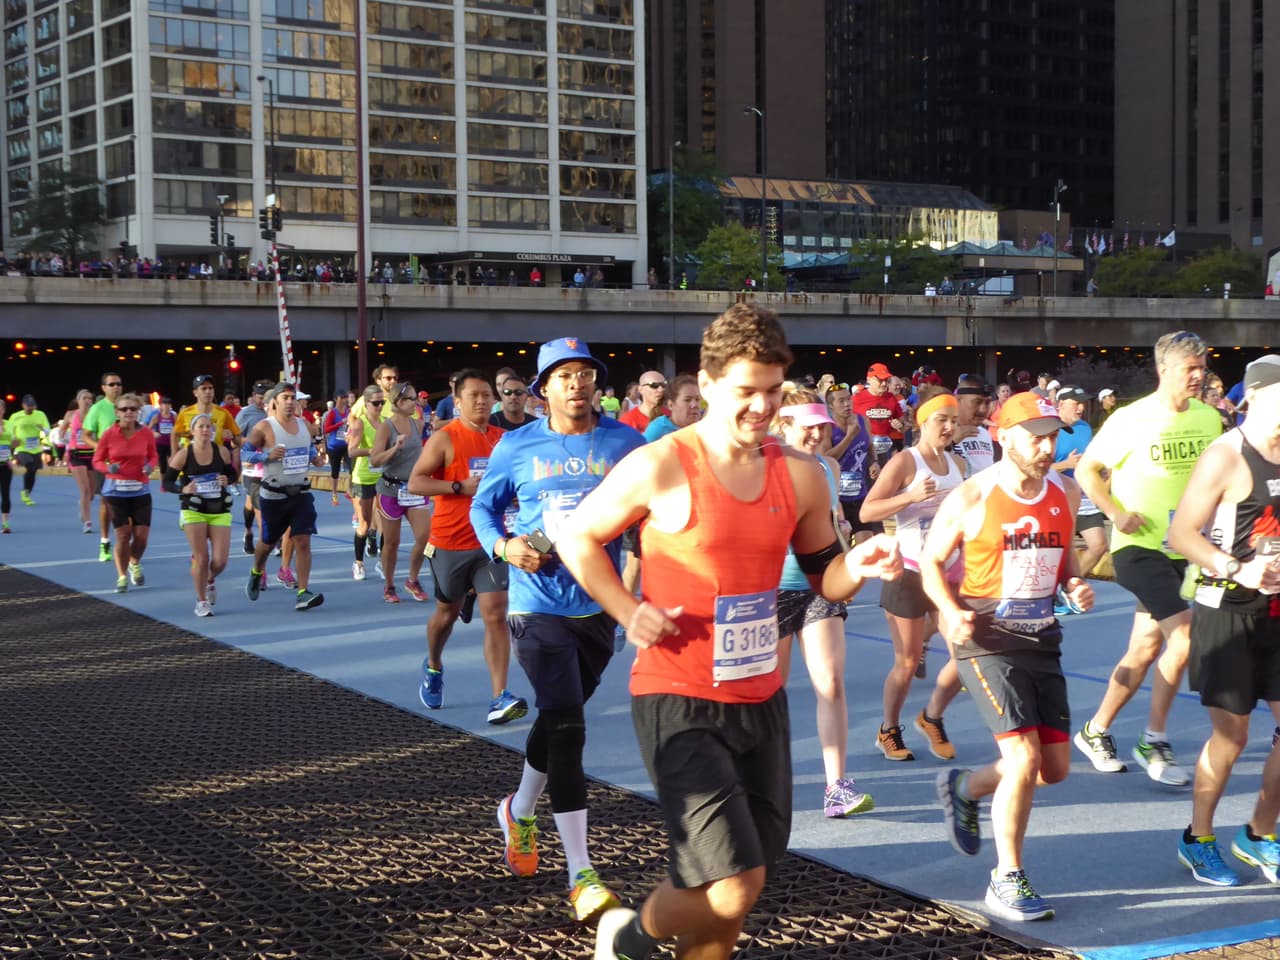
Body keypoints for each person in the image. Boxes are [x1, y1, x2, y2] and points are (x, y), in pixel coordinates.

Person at [555, 303, 901, 960]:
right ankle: (623, 937)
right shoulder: (661, 464)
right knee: (734, 883)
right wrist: (628, 611)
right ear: (709, 384)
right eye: (746, 392)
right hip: (677, 696)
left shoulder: (796, 473)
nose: (761, 408)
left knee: (737, 884)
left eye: (773, 392)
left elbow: (825, 573)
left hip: (759, 695)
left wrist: (860, 563)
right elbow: (578, 538)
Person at [470, 336, 646, 923]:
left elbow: (649, 511)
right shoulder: (518, 445)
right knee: (569, 728)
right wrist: (504, 544)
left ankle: (518, 812)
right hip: (535, 602)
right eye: (563, 376)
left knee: (556, 717)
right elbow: (483, 508)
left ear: (597, 383)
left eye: (585, 374)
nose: (576, 384)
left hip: (595, 605)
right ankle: (581, 872)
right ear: (543, 389)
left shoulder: (625, 442)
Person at [923, 391, 1094, 922]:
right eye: (1034, 435)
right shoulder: (974, 496)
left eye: (1051, 436)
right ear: (1002, 435)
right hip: (985, 638)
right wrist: (949, 611)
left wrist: (1074, 584)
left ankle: (966, 787)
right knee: (1022, 760)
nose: (1046, 446)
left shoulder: (1062, 492)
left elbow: (1063, 557)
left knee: (1053, 770)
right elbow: (931, 561)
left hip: (1041, 637)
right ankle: (1007, 879)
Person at [1072, 331, 1222, 785]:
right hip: (1139, 547)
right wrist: (1117, 514)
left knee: (1143, 649)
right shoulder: (1130, 419)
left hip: (1187, 548)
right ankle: (1153, 739)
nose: (1198, 376)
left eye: (1202, 367)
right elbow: (1086, 470)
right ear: (1164, 371)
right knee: (1185, 639)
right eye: (1189, 369)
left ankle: (1094, 730)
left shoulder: (1208, 418)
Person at [1167, 354, 1280, 887]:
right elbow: (1181, 535)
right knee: (1231, 738)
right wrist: (1240, 567)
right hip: (1226, 606)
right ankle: (1200, 838)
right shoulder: (1226, 456)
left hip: (1278, 609)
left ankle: (1258, 835)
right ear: (1256, 396)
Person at [773, 389, 873, 817]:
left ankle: (836, 786)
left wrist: (851, 545)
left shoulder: (828, 467)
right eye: (808, 427)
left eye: (822, 427)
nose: (817, 434)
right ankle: (765, 780)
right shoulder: (763, 468)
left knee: (831, 682)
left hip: (819, 587)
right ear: (785, 426)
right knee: (768, 693)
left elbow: (836, 523)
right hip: (770, 589)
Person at [408, 369, 526, 724]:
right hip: (450, 542)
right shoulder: (445, 438)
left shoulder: (503, 439)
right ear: (456, 402)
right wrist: (458, 487)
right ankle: (433, 664)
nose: (481, 401)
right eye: (473, 395)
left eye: (486, 395)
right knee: (446, 614)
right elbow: (416, 482)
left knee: (496, 613)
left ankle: (499, 696)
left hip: (491, 542)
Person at [860, 386, 967, 762]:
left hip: (947, 571)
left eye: (954, 421)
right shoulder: (906, 462)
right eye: (942, 420)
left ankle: (931, 716)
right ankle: (888, 729)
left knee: (966, 656)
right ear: (923, 422)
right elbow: (867, 512)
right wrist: (910, 496)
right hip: (907, 570)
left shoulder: (959, 466)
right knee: (906, 663)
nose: (949, 428)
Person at [242, 383, 327, 611]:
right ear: (275, 402)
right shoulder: (264, 427)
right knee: (267, 543)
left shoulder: (304, 425)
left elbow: (306, 449)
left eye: (293, 398)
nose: (290, 402)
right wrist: (267, 455)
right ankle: (256, 570)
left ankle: (303, 591)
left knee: (303, 541)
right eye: (285, 397)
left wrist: (315, 459)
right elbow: (245, 454)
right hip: (274, 495)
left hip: (301, 492)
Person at [163, 412, 236, 616]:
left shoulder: (221, 451)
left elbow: (232, 473)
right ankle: (201, 601)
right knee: (202, 559)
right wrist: (183, 489)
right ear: (192, 431)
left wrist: (226, 480)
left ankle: (209, 580)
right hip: (193, 510)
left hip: (219, 509)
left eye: (208, 427)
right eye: (201, 426)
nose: (205, 430)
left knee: (220, 561)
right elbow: (167, 481)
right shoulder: (184, 454)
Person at [369, 382, 433, 603]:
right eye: (412, 399)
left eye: (416, 398)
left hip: (414, 488)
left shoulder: (417, 424)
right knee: (392, 542)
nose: (416, 402)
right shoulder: (386, 427)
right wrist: (395, 448)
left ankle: (412, 579)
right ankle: (389, 584)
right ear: (399, 402)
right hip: (390, 489)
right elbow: (375, 459)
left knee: (425, 537)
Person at [92, 393, 158, 593]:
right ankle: (121, 577)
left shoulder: (146, 433)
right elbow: (97, 460)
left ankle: (134, 562)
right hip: (115, 491)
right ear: (117, 412)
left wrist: (150, 466)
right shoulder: (109, 434)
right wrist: (107, 468)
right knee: (122, 535)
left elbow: (153, 455)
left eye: (132, 409)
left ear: (139, 411)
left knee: (141, 538)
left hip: (140, 489)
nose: (128, 412)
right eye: (124, 409)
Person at [1050, 386, 1107, 589]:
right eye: (1076, 403)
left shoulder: (1084, 428)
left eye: (1082, 403)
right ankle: (1055, 589)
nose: (1081, 408)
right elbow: (1036, 468)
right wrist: (1066, 464)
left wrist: (1100, 469)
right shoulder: (1049, 430)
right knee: (1064, 550)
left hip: (1085, 495)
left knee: (1099, 546)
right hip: (1060, 497)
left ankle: (1068, 587)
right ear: (1061, 404)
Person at [825, 381, 880, 544]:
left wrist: (875, 462)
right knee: (843, 549)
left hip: (860, 493)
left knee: (866, 545)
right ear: (831, 406)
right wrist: (849, 437)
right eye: (841, 401)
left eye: (848, 399)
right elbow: (825, 459)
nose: (847, 404)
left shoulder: (862, 421)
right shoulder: (828, 427)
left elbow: (870, 446)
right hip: (837, 499)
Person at [82, 372, 125, 562]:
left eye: (118, 384)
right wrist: (99, 448)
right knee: (106, 502)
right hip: (106, 463)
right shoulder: (98, 408)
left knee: (129, 502)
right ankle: (105, 541)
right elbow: (86, 435)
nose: (116, 387)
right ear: (104, 388)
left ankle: (124, 542)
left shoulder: (127, 406)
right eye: (112, 384)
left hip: (129, 462)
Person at [346, 384, 385, 581]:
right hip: (363, 478)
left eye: (382, 403)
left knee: (387, 522)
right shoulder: (360, 423)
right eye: (376, 403)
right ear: (366, 404)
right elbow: (352, 451)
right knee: (364, 524)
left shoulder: (386, 422)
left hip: (384, 477)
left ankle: (384, 562)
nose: (379, 407)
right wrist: (372, 451)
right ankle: (358, 563)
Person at [852, 362, 905, 466]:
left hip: (885, 449)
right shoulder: (856, 399)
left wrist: (900, 426)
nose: (884, 384)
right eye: (880, 380)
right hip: (862, 449)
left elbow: (903, 425)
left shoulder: (891, 398)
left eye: (886, 380)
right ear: (869, 379)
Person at [9, 394, 50, 506]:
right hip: (22, 447)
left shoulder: (40, 415)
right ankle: (25, 493)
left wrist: (42, 429)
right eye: (28, 406)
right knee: (30, 466)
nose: (30, 408)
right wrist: (13, 439)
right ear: (23, 405)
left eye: (32, 406)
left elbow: (47, 431)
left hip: (35, 448)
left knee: (33, 471)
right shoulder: (15, 416)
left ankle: (26, 493)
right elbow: (10, 429)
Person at [66, 389, 97, 533]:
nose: (88, 401)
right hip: (76, 454)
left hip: (91, 454)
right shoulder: (71, 415)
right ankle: (88, 523)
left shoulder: (95, 415)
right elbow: (61, 433)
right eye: (85, 398)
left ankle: (82, 507)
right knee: (84, 490)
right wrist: (68, 446)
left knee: (91, 492)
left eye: (90, 398)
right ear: (78, 400)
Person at [642, 373, 701, 441]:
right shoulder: (658, 429)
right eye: (687, 400)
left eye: (697, 399)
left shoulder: (704, 427)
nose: (694, 405)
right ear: (670, 405)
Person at [322, 391, 351, 505]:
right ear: (336, 399)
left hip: (346, 444)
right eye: (342, 397)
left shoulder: (348, 411)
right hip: (334, 446)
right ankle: (334, 493)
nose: (344, 400)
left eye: (345, 397)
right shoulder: (333, 413)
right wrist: (340, 423)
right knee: (335, 471)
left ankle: (349, 490)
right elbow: (326, 429)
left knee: (352, 468)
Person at [0, 398, 12, 533]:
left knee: (5, 493)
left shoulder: (9, 424)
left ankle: (5, 524)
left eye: (0, 408)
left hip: (5, 463)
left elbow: (13, 441)